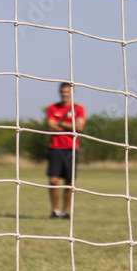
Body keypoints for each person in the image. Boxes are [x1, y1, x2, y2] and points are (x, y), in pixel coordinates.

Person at [46, 82, 85, 219]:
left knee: (69, 182)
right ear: (59, 92)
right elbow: (51, 126)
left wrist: (61, 124)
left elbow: (79, 128)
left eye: (67, 92)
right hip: (55, 148)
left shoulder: (79, 109)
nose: (65, 94)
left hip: (71, 149)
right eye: (63, 92)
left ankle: (66, 211)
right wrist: (70, 126)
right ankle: (55, 210)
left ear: (72, 93)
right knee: (53, 180)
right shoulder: (52, 108)